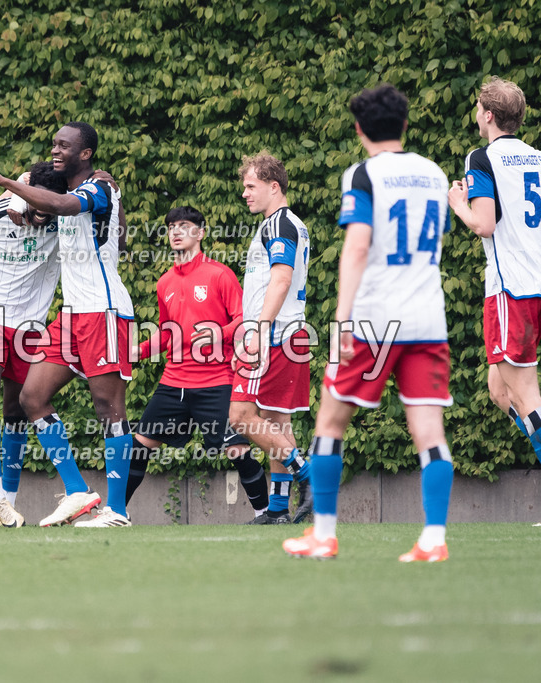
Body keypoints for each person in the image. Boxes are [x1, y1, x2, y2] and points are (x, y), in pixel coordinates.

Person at [284, 84, 454, 561]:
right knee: (429, 433)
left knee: (330, 422)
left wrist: (342, 320)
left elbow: (358, 246)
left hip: (376, 322)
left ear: (359, 129)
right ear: (405, 124)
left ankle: (323, 534)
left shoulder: (362, 174)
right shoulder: (433, 173)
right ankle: (434, 540)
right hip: (427, 319)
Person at [0, 121, 136, 527]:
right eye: (54, 145)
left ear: (86, 154)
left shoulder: (98, 189)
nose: (55, 150)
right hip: (71, 316)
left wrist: (5, 180)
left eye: (64, 146)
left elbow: (68, 208)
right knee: (31, 398)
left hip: (105, 311)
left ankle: (117, 511)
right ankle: (78, 490)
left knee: (109, 408)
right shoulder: (70, 193)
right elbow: (50, 209)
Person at [125, 206, 271, 521]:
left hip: (216, 382)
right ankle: (115, 512)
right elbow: (166, 333)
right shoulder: (164, 282)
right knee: (138, 446)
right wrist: (138, 350)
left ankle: (266, 514)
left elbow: (243, 320)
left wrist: (218, 333)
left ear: (200, 233)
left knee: (237, 450)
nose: (177, 231)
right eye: (172, 226)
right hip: (173, 383)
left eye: (185, 225)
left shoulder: (220, 274)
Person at [448, 77, 541, 470]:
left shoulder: (481, 157)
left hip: (512, 290)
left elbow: (484, 224)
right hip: (533, 283)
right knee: (499, 389)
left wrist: (457, 203)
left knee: (524, 393)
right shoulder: (536, 157)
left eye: (477, 108)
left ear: (488, 114)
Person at [0, 161, 66, 528]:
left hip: (30, 327)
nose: (41, 212)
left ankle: (9, 499)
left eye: (48, 204)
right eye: (35, 202)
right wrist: (11, 194)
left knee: (17, 410)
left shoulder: (63, 222)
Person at [228, 153, 313, 524]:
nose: (245, 194)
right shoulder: (292, 223)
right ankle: (278, 510)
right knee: (277, 424)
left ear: (273, 186)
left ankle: (311, 475)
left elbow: (280, 278)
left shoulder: (277, 224)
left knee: (242, 416)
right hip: (291, 334)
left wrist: (259, 329)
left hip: (275, 335)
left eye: (251, 186)